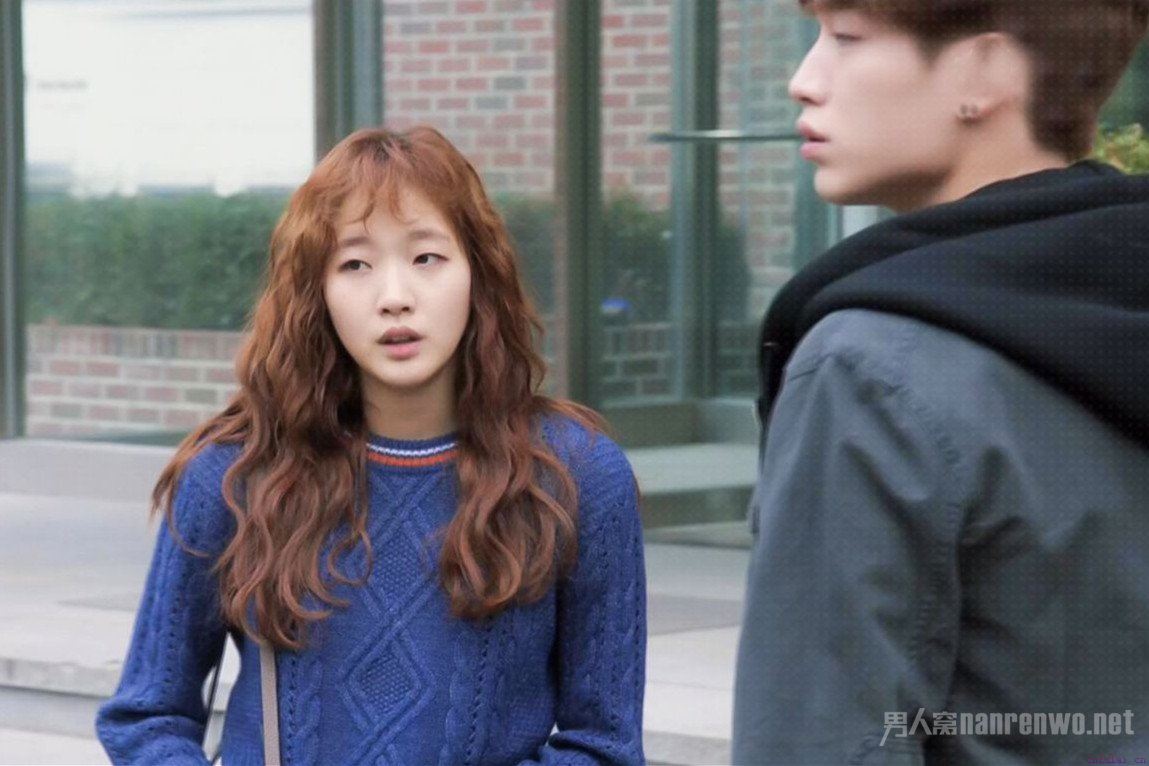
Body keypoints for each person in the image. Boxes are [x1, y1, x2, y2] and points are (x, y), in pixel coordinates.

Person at [96, 126, 646, 765]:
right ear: (317, 292)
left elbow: (602, 746)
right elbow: (147, 716)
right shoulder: (236, 472)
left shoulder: (577, 476)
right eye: (355, 264)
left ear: (479, 272)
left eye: (426, 258)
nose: (395, 299)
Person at [733, 0, 1149, 762]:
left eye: (846, 38)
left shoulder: (869, 368)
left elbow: (824, 741)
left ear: (982, 72)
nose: (803, 79)